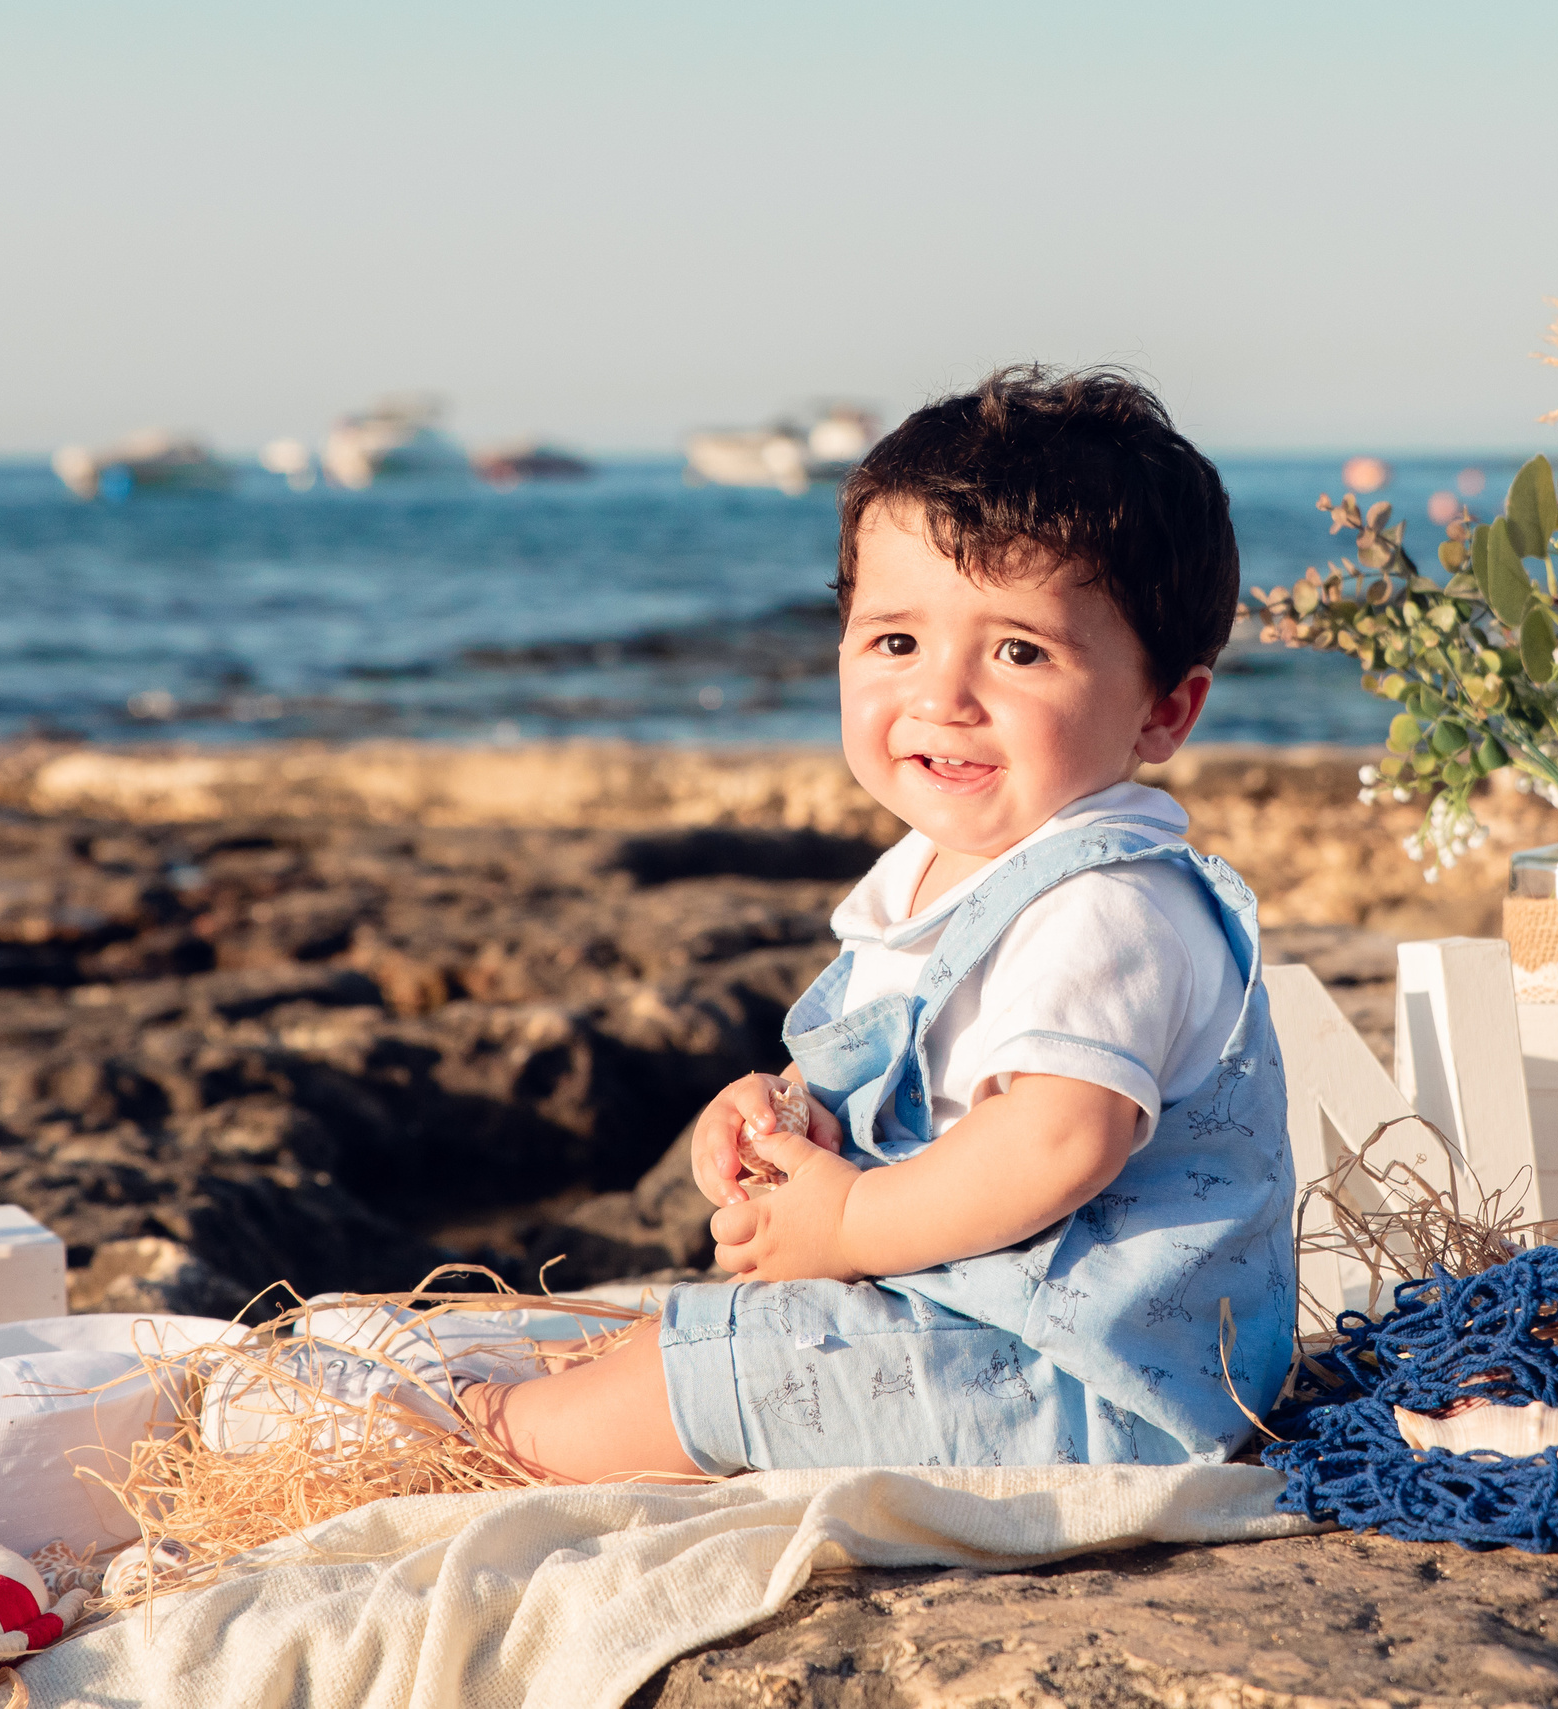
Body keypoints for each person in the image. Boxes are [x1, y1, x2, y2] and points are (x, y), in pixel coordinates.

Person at [323, 366, 1295, 1480]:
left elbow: (1058, 1140)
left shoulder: (1107, 905)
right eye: (896, 642)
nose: (944, 695)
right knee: (679, 1338)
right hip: (977, 1327)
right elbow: (908, 1101)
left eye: (1019, 651)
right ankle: (518, 1395)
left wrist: (850, 1226)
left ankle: (474, 1441)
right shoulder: (941, 877)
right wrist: (775, 1115)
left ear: (1164, 708)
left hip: (1092, 1388)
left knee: (704, 1374)